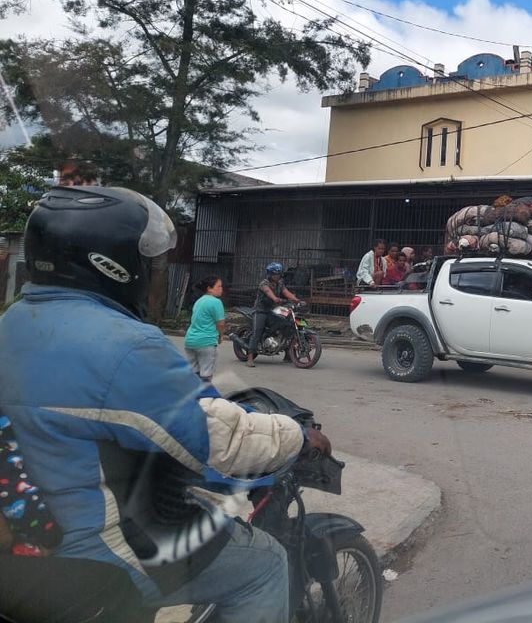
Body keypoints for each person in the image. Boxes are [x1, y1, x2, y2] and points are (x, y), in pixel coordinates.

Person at [0, 185, 332, 622]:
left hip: (29, 534)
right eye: (147, 262)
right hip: (92, 551)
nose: (151, 271)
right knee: (264, 562)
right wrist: (298, 435)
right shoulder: (125, 346)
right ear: (114, 265)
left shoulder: (13, 321)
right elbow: (218, 438)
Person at [247, 262, 300, 368]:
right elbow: (268, 292)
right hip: (260, 311)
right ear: (270, 274)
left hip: (272, 310)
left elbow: (286, 292)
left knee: (286, 325)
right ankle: (250, 358)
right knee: (257, 332)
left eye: (279, 274)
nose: (278, 276)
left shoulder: (280, 283)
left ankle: (288, 354)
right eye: (276, 274)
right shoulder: (264, 283)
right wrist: (275, 298)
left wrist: (296, 300)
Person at [184, 276, 226, 382]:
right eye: (219, 286)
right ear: (209, 288)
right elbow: (220, 323)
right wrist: (221, 336)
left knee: (193, 373)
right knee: (206, 374)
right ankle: (204, 396)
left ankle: (192, 395)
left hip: (190, 341)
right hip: (206, 342)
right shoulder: (216, 302)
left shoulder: (199, 301)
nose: (221, 289)